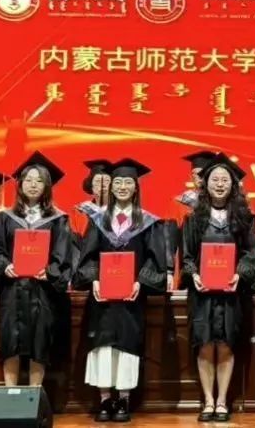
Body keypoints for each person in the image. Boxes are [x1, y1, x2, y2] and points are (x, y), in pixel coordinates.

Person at [74, 158, 168, 423]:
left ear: (136, 187)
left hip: (131, 299)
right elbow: (88, 257)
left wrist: (140, 281)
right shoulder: (98, 220)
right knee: (103, 347)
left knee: (127, 347)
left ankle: (124, 399)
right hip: (102, 299)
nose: (123, 187)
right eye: (118, 182)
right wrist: (94, 280)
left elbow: (155, 260)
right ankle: (105, 399)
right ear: (111, 187)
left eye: (128, 182)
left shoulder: (147, 222)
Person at [0, 151, 74, 388]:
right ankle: (10, 397)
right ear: (20, 184)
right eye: (29, 180)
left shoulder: (58, 219)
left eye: (39, 180)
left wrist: (50, 272)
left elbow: (63, 255)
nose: (33, 185)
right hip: (13, 291)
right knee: (10, 343)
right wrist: (5, 266)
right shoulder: (5, 218)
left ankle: (34, 396)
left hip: (43, 292)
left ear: (47, 186)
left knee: (39, 345)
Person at [182, 153, 255, 422]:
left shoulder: (244, 218)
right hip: (202, 292)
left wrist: (240, 274)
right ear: (205, 183)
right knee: (204, 345)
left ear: (233, 185)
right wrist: (193, 275)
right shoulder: (194, 218)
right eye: (214, 179)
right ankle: (208, 401)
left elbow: (250, 253)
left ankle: (223, 401)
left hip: (231, 292)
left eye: (225, 180)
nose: (219, 184)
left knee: (226, 344)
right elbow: (187, 256)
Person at [168, 151, 216, 293]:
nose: (199, 177)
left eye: (204, 173)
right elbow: (169, 240)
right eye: (195, 174)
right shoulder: (179, 203)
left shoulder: (222, 204)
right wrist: (168, 272)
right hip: (187, 270)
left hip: (216, 266)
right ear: (191, 176)